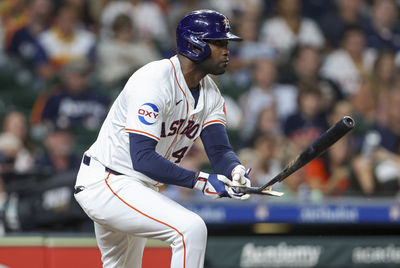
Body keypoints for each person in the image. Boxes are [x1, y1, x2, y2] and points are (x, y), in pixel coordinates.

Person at [73, 10, 251, 268]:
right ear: (195, 44)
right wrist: (202, 181)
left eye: (226, 44)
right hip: (109, 181)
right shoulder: (154, 80)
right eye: (219, 43)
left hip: (137, 187)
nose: (226, 51)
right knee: (190, 229)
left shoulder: (210, 92)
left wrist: (234, 170)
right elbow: (143, 158)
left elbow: (220, 150)